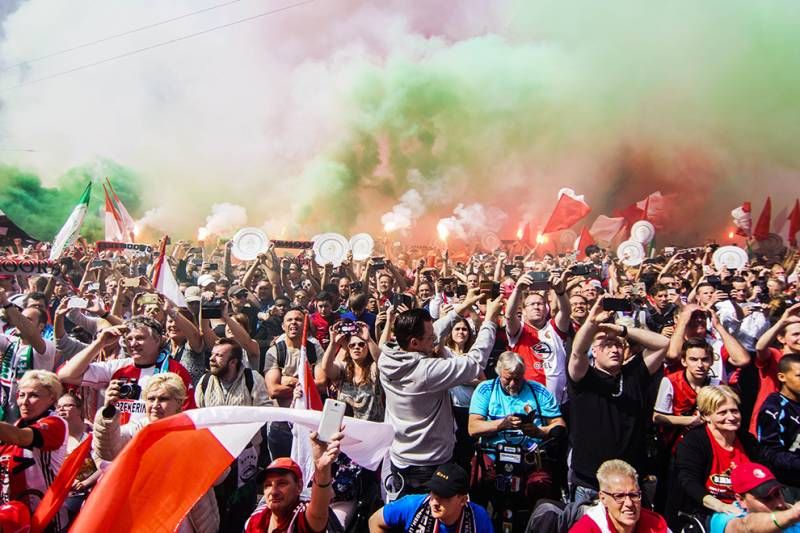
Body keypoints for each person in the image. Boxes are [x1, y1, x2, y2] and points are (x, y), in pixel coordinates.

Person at [379, 291, 502, 497]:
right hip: (429, 466)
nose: (435, 339)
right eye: (430, 339)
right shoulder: (426, 372)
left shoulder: (387, 357)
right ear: (414, 343)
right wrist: (489, 320)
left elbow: (434, 330)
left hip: (400, 459)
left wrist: (460, 309)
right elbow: (474, 362)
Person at [567, 296, 669, 500]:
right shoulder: (584, 377)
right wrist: (592, 323)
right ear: (594, 351)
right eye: (606, 345)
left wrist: (621, 330)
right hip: (590, 483)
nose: (614, 349)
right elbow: (577, 352)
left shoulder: (633, 374)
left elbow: (663, 343)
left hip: (629, 484)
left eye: (618, 345)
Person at [93, 372, 219, 532]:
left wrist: (193, 459)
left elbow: (220, 475)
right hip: (146, 513)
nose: (155, 405)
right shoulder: (137, 430)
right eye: (151, 399)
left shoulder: (196, 430)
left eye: (163, 399)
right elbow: (108, 450)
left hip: (186, 516)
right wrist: (108, 411)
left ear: (179, 402)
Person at [58, 315, 195, 423]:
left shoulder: (174, 371)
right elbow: (66, 375)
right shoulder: (118, 367)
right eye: (129, 339)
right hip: (119, 442)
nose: (133, 344)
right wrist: (100, 343)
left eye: (140, 338)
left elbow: (187, 414)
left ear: (157, 340)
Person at [469, 351, 566, 502]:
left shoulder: (538, 391)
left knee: (540, 484)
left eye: (518, 379)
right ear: (499, 372)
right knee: (479, 479)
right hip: (493, 454)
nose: (513, 384)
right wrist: (501, 425)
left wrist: (539, 432)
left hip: (529, 456)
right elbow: (473, 428)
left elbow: (560, 425)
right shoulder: (486, 389)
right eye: (508, 379)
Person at [667, 385, 762, 527]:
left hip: (746, 508)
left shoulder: (748, 441)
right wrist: (722, 507)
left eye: (734, 411)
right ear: (706, 416)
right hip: (708, 511)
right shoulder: (692, 443)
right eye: (722, 412)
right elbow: (689, 482)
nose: (731, 417)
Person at [0, 370, 68, 531]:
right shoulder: (16, 424)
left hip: (47, 519)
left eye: (33, 395)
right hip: (14, 518)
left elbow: (20, 437)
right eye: (21, 395)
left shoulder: (56, 423)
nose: (24, 402)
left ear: (52, 398)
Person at [244, 431, 345, 533]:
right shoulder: (256, 519)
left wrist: (321, 469)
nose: (273, 492)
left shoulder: (300, 517)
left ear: (299, 487)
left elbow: (317, 514)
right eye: (268, 485)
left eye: (282, 483)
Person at [505, 271, 573, 404]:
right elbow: (509, 315)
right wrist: (517, 290)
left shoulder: (554, 327)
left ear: (546, 308)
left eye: (540, 304)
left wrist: (560, 292)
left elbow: (566, 311)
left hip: (558, 402)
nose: (536, 307)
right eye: (532, 304)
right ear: (523, 311)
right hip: (527, 402)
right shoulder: (519, 329)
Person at [264, 308, 324, 458]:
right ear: (283, 326)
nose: (294, 323)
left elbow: (322, 383)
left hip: (309, 421)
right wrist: (306, 384)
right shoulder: (275, 351)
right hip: (282, 423)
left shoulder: (314, 349)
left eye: (298, 320)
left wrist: (290, 380)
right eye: (289, 320)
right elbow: (273, 390)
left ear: (305, 325)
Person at [368, 463, 494, 533]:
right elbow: (374, 521)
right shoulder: (412, 505)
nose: (434, 502)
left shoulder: (478, 517)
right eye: (433, 492)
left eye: (444, 496)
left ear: (462, 500)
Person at [0, 289, 57, 422]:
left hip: (33, 414)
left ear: (41, 326)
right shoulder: (10, 342)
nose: (19, 322)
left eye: (27, 320)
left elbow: (31, 333)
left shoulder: (46, 347)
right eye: (19, 318)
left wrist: (6, 303)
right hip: (5, 411)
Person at [654, 337, 719, 453]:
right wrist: (689, 420)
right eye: (693, 359)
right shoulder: (670, 381)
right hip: (676, 446)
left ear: (712, 361)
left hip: (708, 444)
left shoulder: (717, 385)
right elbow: (657, 417)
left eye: (705, 359)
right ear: (684, 361)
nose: (700, 365)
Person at [569, 460, 668, 533]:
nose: (629, 503)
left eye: (633, 495)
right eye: (619, 496)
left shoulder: (656, 525)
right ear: (603, 498)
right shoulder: (586, 529)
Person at [317, 320, 383, 421]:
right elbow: (326, 367)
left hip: (372, 426)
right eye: (352, 345)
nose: (356, 347)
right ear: (348, 349)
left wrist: (368, 339)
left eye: (361, 344)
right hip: (346, 425)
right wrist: (333, 343)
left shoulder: (374, 368)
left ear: (368, 348)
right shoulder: (344, 368)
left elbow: (382, 361)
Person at [709, 462, 800, 533]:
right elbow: (746, 527)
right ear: (741, 500)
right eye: (766, 498)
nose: (779, 504)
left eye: (777, 494)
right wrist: (793, 514)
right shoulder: (724, 518)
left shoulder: (790, 512)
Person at [751, 303, 800, 435]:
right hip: (769, 420)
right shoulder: (774, 355)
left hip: (794, 422)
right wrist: (782, 322)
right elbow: (760, 347)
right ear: (781, 338)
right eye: (796, 334)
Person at [756, 352, 800, 494]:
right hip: (784, 486)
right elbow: (770, 453)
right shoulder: (775, 408)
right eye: (799, 376)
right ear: (782, 377)